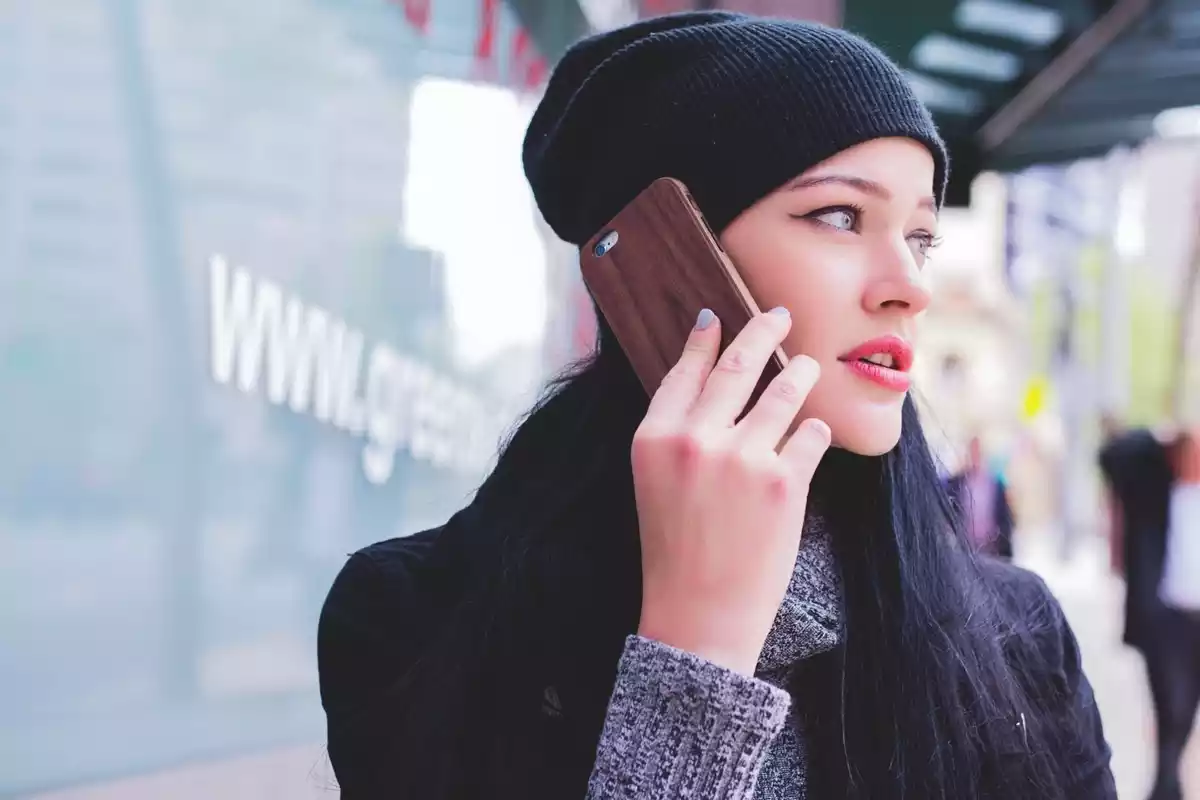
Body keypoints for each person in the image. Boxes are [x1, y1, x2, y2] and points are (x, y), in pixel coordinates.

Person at [318, 12, 1115, 799]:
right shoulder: (414, 622)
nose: (909, 285)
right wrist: (695, 657)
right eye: (838, 216)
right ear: (674, 260)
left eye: (920, 236)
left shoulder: (1017, 639)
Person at [1099, 425, 1199, 800]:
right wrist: (1158, 438)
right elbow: (1110, 457)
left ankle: (1166, 786)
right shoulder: (1156, 492)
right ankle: (1166, 789)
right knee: (1171, 708)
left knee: (1185, 713)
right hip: (1168, 622)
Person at [947, 435, 1015, 559]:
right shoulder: (957, 484)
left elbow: (1005, 517)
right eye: (972, 452)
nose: (975, 457)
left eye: (978, 453)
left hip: (991, 550)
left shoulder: (995, 484)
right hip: (965, 550)